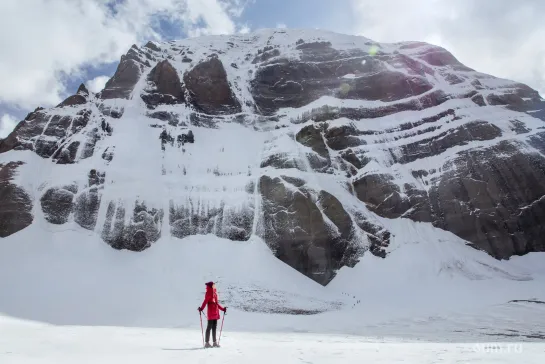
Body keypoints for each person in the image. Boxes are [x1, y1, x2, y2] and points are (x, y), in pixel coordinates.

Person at [198, 281, 227, 348]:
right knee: (209, 327)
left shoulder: (215, 294)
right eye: (213, 285)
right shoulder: (208, 293)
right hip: (211, 313)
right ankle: (207, 343)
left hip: (215, 313)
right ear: (211, 286)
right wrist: (201, 308)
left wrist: (222, 309)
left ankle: (214, 342)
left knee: (214, 328)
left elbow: (216, 304)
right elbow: (205, 302)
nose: (214, 286)